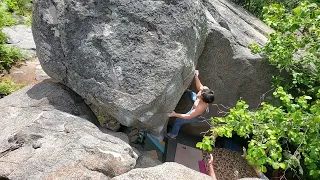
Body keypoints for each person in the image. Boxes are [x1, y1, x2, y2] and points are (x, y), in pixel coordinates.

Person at [166, 70, 215, 139]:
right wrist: (196, 76)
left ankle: (173, 135)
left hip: (196, 115)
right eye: (200, 93)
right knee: (192, 94)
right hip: (196, 105)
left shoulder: (200, 108)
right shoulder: (205, 90)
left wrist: (174, 114)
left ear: (204, 101)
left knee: (178, 121)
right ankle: (187, 91)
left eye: (200, 97)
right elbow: (199, 86)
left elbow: (188, 116)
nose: (199, 95)